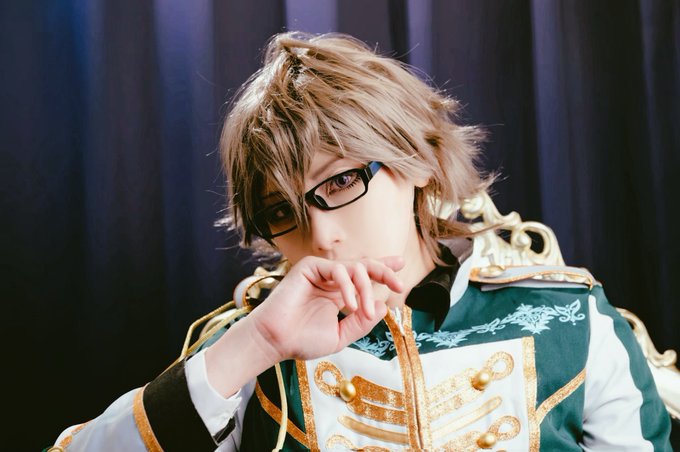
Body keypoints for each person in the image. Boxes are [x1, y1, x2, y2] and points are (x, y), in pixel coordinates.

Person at [51, 32, 671, 451]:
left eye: (342, 181)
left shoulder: (572, 318)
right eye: (281, 212)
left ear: (417, 161)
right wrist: (257, 344)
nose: (322, 236)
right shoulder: (245, 350)